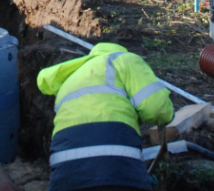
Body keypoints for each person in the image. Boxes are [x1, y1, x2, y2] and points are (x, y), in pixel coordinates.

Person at [37, 42, 173, 191]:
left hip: (64, 174)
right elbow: (157, 110)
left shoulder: (69, 79)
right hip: (116, 167)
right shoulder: (124, 59)